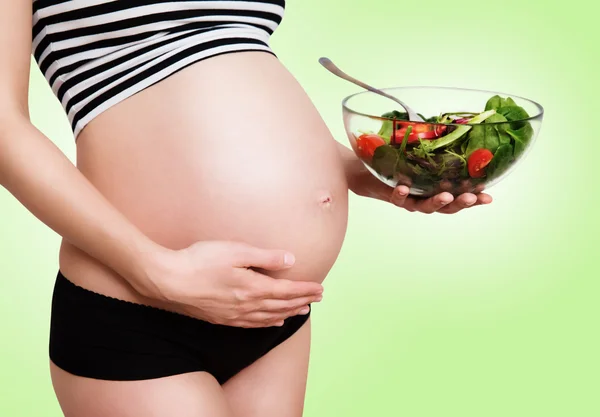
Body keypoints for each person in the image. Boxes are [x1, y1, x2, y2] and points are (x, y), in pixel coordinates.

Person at [1, 1, 492, 416]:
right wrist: (155, 270)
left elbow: (231, 72)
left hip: (273, 315)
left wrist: (376, 171)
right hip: (140, 302)